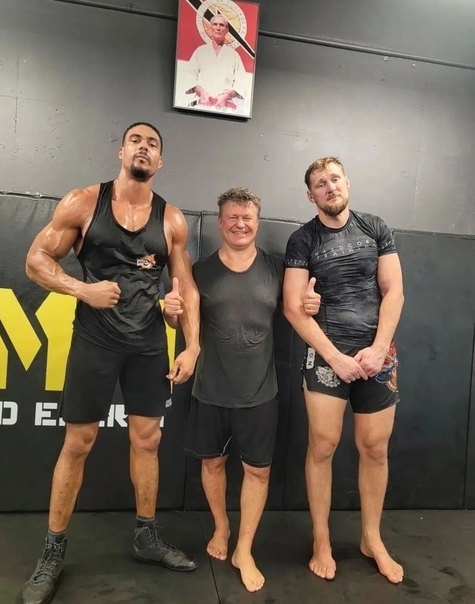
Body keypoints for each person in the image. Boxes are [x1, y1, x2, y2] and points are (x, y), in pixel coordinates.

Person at [22, 122, 201, 604]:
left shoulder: (171, 219)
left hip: (148, 345)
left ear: (160, 161)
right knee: (78, 443)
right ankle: (52, 551)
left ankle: (146, 536)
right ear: (121, 151)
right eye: (136, 141)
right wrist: (82, 289)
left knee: (148, 439)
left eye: (153, 144)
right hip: (95, 341)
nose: (144, 148)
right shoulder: (83, 202)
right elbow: (36, 260)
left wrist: (191, 344)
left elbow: (186, 287)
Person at [164, 187, 320, 593]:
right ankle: (221, 526)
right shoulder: (200, 271)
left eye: (247, 217)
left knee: (258, 471)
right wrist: (171, 313)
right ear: (220, 223)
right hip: (210, 390)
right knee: (213, 465)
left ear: (257, 222)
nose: (240, 224)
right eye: (232, 217)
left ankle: (244, 549)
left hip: (260, 392)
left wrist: (311, 305)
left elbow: (298, 308)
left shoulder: (277, 269)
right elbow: (181, 323)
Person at [283, 157, 404, 584]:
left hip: (377, 355)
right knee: (323, 445)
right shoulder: (303, 239)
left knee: (375, 447)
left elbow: (394, 291)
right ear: (310, 195)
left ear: (347, 183)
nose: (330, 187)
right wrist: (334, 356)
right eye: (320, 183)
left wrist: (379, 348)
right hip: (327, 355)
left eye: (335, 179)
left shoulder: (375, 227)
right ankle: (322, 539)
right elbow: (293, 308)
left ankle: (372, 539)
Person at [179, 14, 249, 114]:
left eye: (222, 25)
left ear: (227, 30)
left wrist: (226, 96)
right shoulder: (200, 51)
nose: (218, 28)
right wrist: (201, 92)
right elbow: (188, 75)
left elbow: (242, 82)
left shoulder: (233, 55)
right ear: (210, 28)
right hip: (202, 104)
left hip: (224, 107)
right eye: (215, 24)